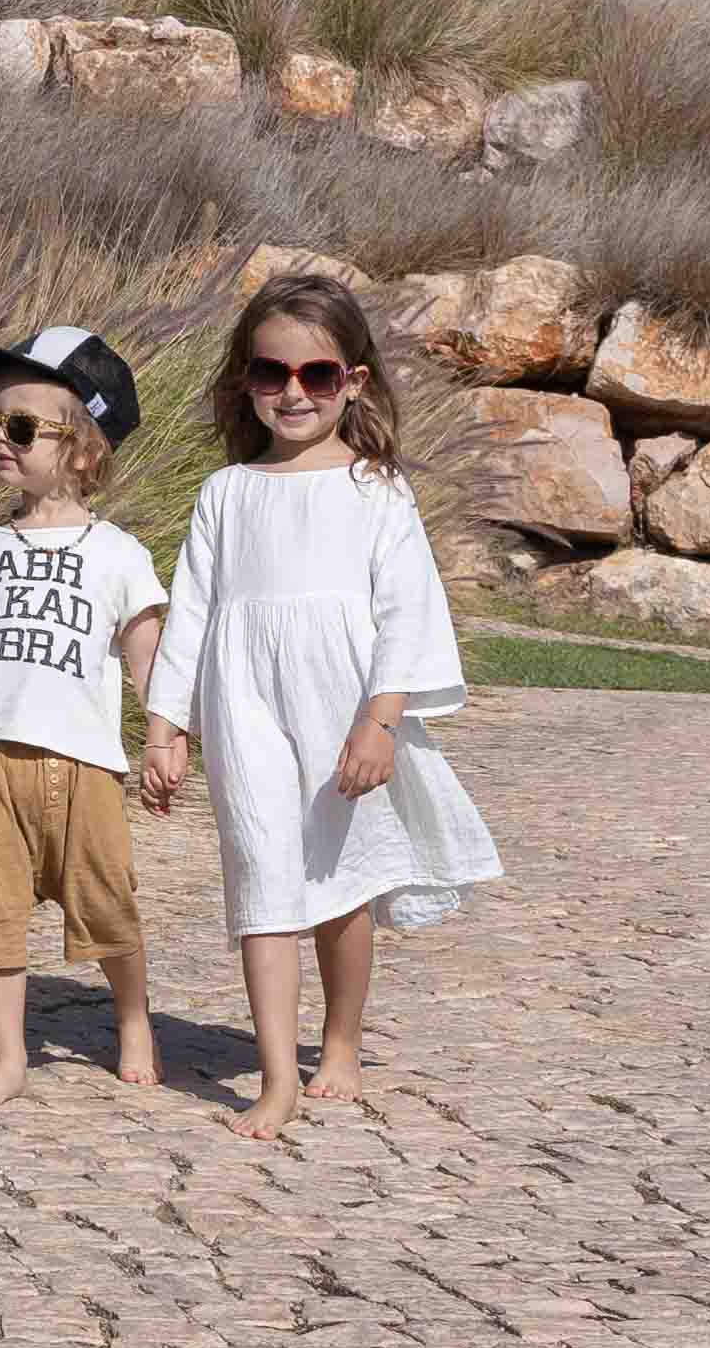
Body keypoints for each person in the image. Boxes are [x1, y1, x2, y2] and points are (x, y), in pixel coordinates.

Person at [137, 269, 495, 1140]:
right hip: (242, 702)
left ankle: (339, 1041)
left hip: (341, 706)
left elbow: (406, 609)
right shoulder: (225, 493)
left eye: (315, 376)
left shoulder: (375, 489)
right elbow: (190, 611)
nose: (291, 393)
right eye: (270, 374)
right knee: (262, 871)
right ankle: (273, 1077)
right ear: (244, 383)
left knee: (338, 881)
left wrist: (379, 721)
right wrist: (163, 724)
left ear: (352, 382)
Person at [0, 324, 168, 1111]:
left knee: (106, 903)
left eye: (22, 427)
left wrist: (164, 736)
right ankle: (8, 1056)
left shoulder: (118, 552)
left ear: (84, 448)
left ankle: (133, 1021)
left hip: (81, 760)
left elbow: (146, 655)